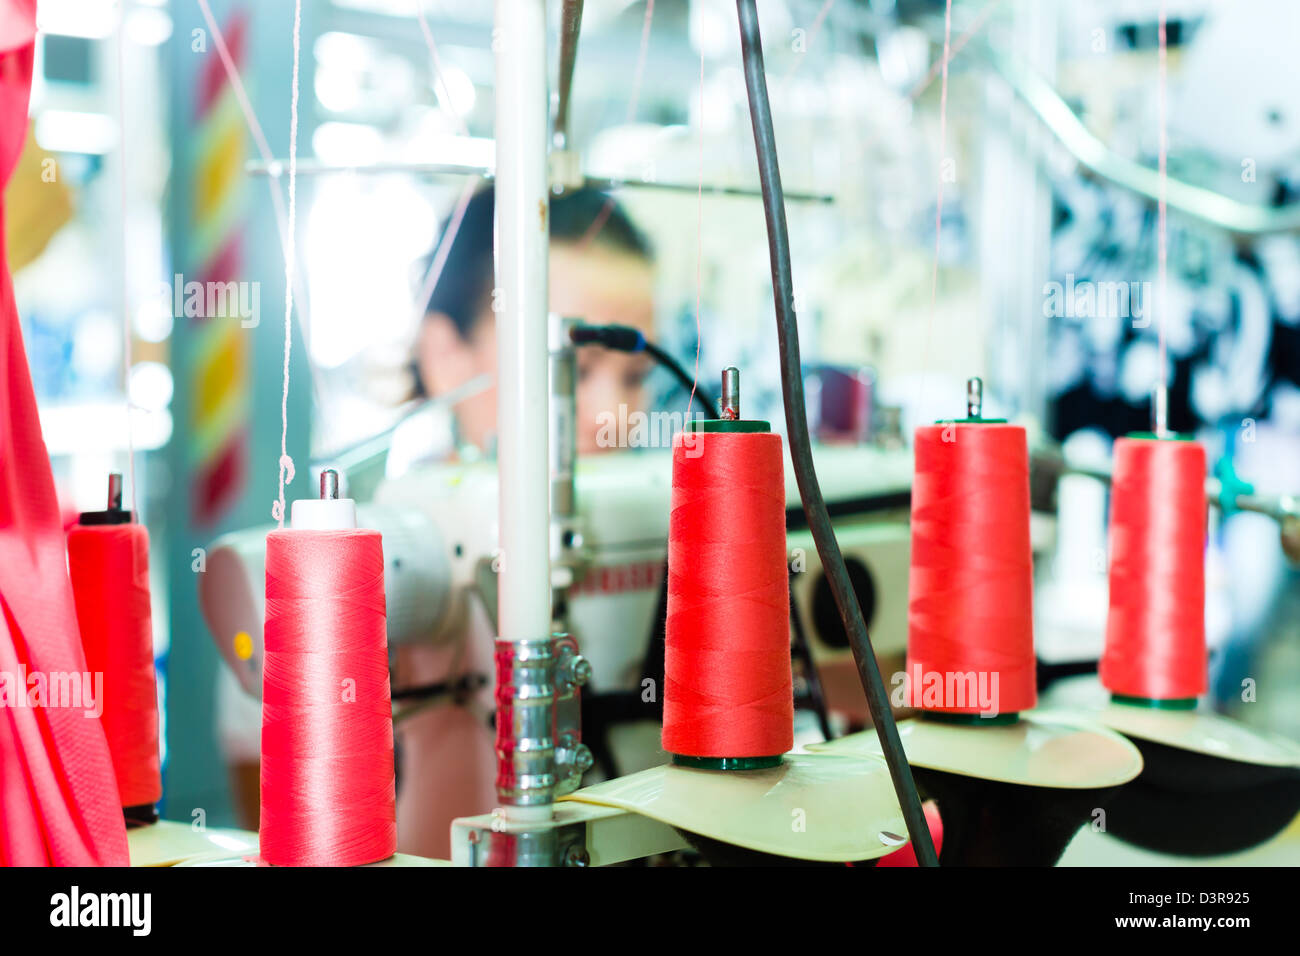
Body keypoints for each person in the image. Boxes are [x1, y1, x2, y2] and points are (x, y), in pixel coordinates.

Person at [393, 186, 658, 859]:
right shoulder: (372, 558)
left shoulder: (663, 519)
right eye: (575, 371)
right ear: (447, 357)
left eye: (634, 377)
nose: (613, 415)